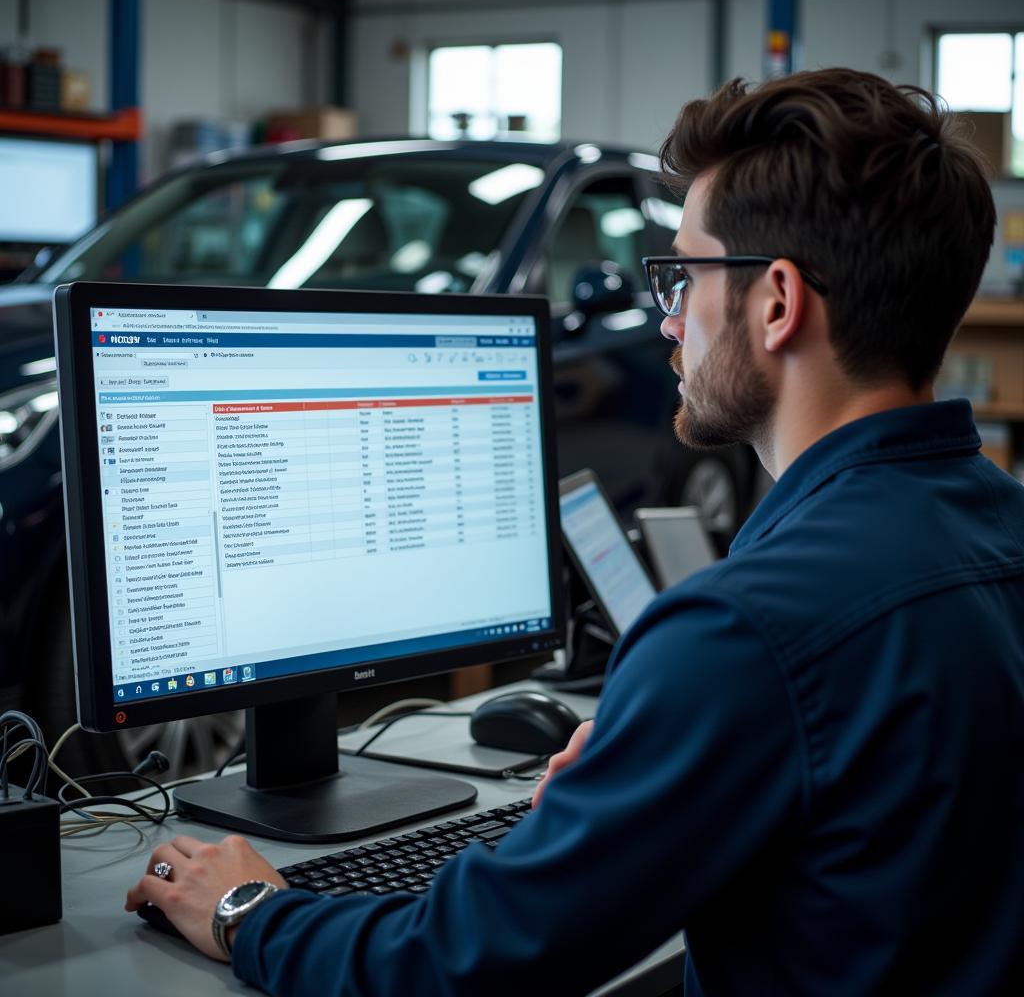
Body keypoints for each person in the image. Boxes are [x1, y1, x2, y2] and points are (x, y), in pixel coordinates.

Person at [126, 68, 1024, 995]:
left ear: (776, 302)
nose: (669, 322)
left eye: (683, 276)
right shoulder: (997, 527)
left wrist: (252, 915)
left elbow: (459, 966)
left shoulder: (747, 631)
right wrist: (649, 773)